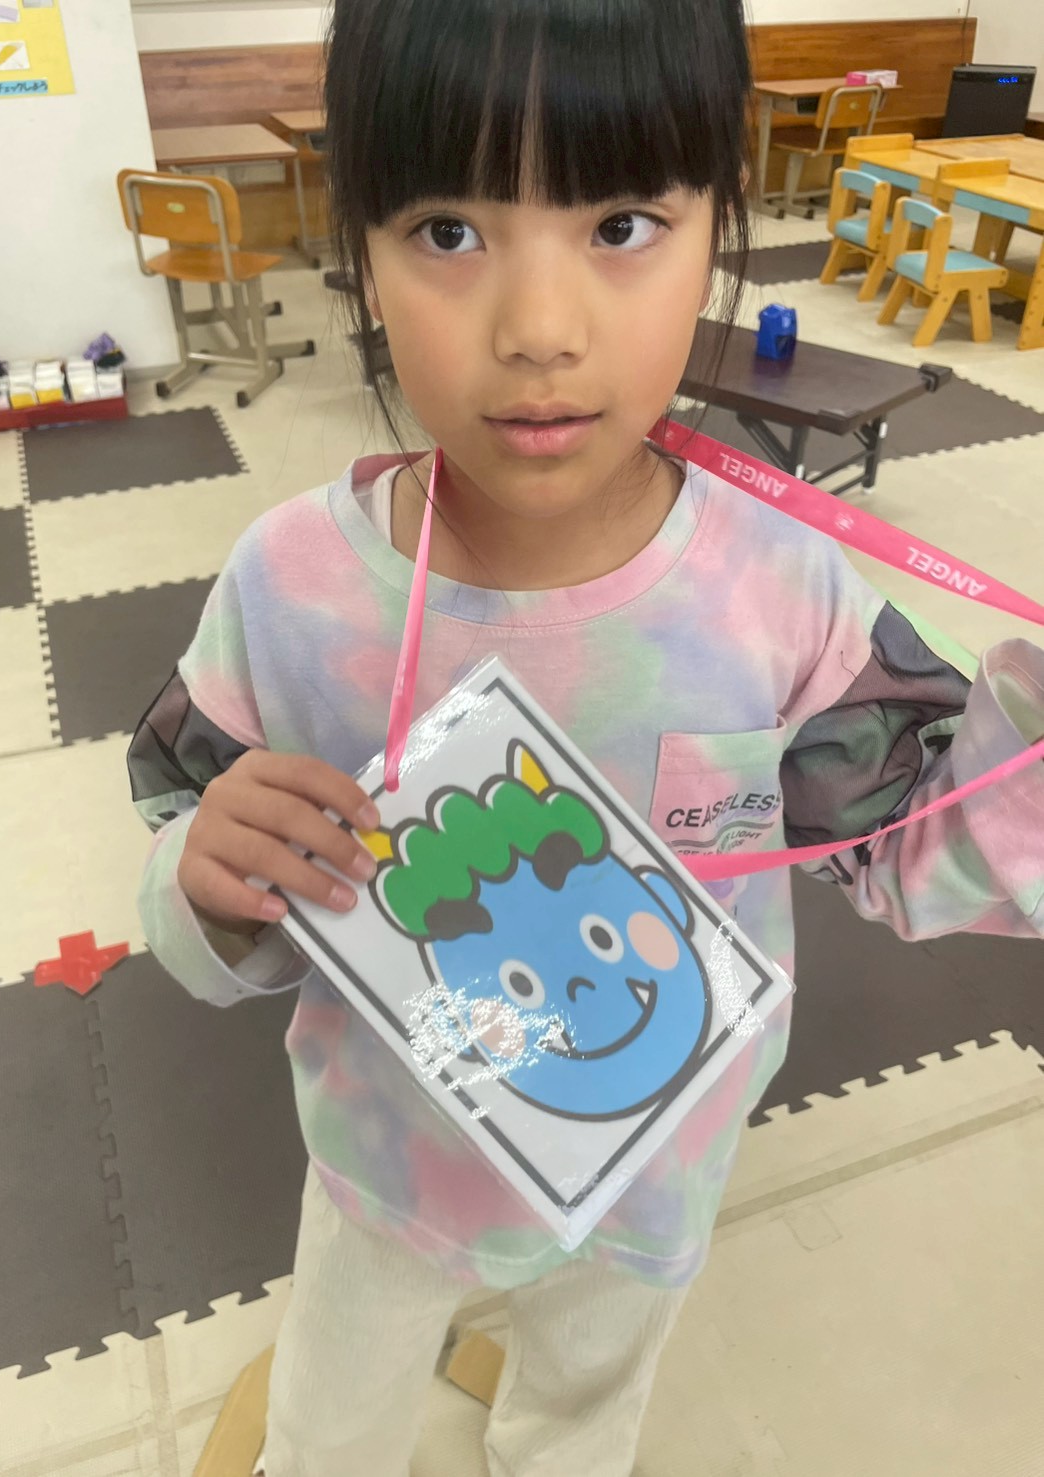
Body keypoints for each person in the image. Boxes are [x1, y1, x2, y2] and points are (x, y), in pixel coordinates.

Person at [127, 0, 1044, 1472]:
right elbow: (187, 845)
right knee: (329, 1427)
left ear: (720, 225)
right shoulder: (291, 588)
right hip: (386, 1174)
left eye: (621, 224)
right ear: (359, 246)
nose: (539, 331)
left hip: (651, 1178)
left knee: (578, 1425)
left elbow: (915, 843)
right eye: (447, 230)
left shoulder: (778, 589)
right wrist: (206, 889)